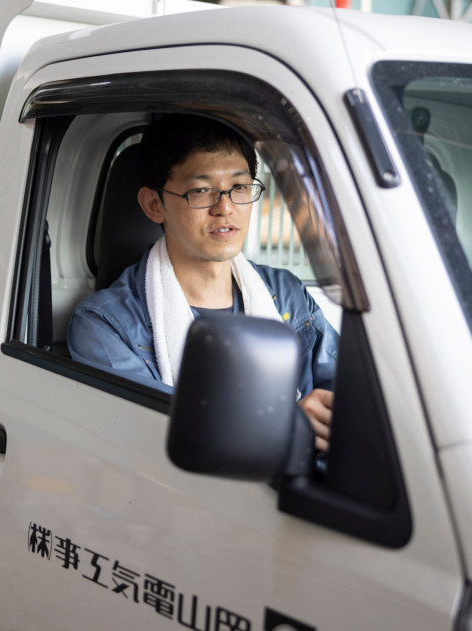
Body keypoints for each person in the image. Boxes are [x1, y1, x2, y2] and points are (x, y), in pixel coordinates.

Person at [68, 114, 338, 450]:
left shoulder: (286, 295)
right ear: (154, 205)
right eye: (200, 190)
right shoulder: (106, 325)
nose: (225, 208)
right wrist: (285, 424)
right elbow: (149, 438)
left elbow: (348, 392)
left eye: (239, 187)